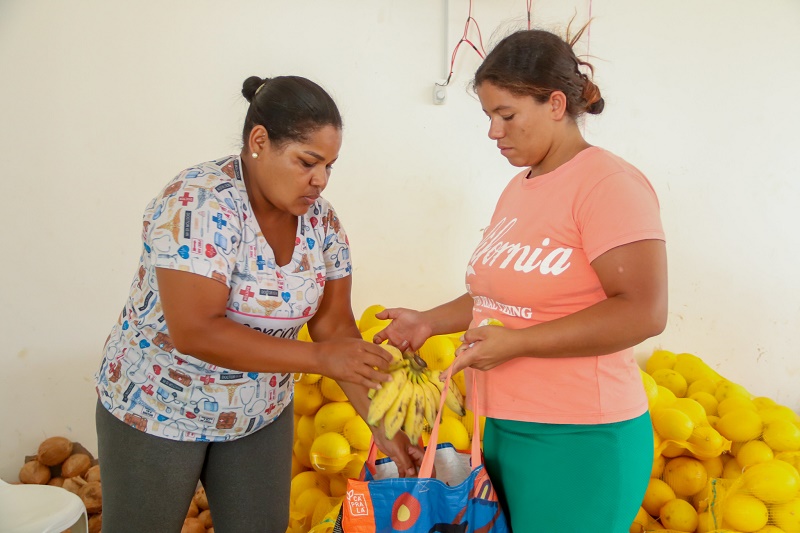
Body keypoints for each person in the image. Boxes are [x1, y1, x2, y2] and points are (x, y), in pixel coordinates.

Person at [94, 75, 419, 533]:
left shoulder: (321, 223)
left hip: (259, 412)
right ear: (259, 141)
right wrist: (319, 358)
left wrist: (382, 423)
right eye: (308, 162)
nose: (320, 180)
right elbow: (196, 330)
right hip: (159, 407)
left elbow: (336, 331)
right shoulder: (199, 202)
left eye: (330, 166)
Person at [375, 26, 668, 532]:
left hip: (581, 438)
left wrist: (518, 345)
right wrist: (428, 321)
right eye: (488, 116)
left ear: (556, 104)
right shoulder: (520, 187)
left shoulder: (609, 185)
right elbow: (499, 299)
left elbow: (643, 311)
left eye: (506, 115)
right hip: (504, 429)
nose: (494, 131)